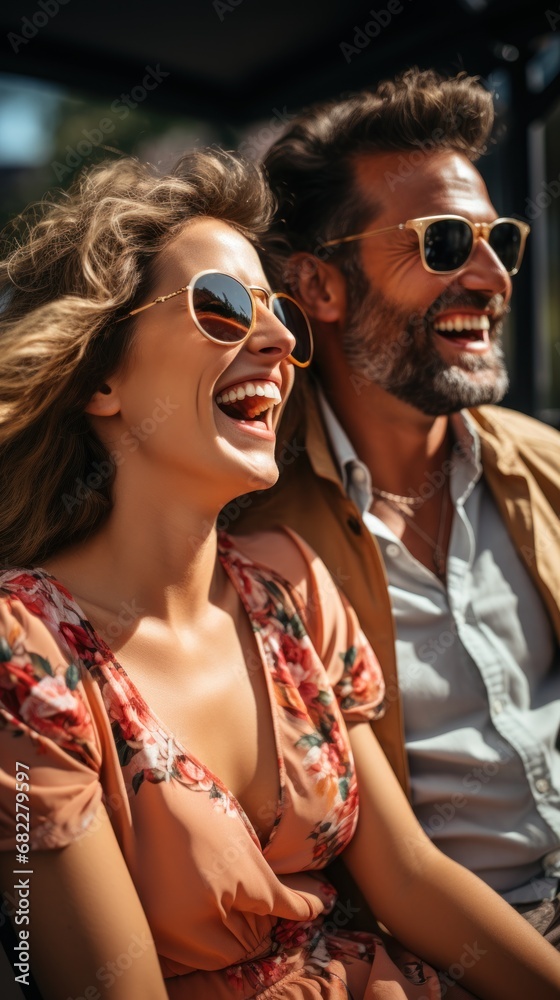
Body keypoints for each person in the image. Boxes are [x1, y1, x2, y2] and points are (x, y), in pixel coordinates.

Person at [0, 150, 559, 1000]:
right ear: (104, 379)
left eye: (280, 312)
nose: (282, 339)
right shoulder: (25, 654)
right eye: (223, 307)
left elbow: (410, 881)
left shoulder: (291, 586)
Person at [232, 67, 560, 946]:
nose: (492, 276)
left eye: (500, 242)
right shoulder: (252, 542)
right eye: (446, 242)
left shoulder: (547, 466)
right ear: (321, 288)